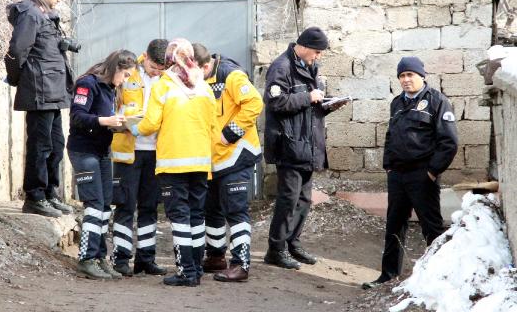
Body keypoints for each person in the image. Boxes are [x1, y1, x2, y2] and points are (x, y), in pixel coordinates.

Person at [362, 56, 458, 289]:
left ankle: (438, 278)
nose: (406, 80)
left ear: (421, 76)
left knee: (432, 228)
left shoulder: (437, 101)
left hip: (422, 175)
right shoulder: (397, 103)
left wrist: (432, 172)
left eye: (410, 75)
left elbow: (449, 142)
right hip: (397, 175)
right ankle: (388, 275)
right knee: (394, 225)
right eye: (402, 76)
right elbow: (390, 135)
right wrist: (388, 166)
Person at [131, 38, 215, 287]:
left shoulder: (164, 85)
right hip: (200, 162)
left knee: (179, 216)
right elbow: (212, 125)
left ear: (170, 59)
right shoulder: (204, 86)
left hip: (173, 163)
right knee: (197, 215)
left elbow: (151, 123)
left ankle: (186, 272)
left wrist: (134, 129)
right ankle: (197, 268)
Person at [263, 27, 347, 270]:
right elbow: (275, 102)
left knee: (303, 199)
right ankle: (275, 249)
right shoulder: (282, 67)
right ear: (304, 46)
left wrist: (328, 103)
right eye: (317, 52)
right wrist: (308, 98)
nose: (318, 57)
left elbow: (312, 103)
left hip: (308, 145)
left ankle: (293, 244)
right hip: (289, 145)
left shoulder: (310, 67)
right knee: (288, 199)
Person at [5, 0, 75, 217]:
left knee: (56, 145)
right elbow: (16, 51)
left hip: (53, 91)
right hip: (39, 90)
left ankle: (49, 193)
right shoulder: (31, 14)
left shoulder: (47, 14)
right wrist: (18, 79)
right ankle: (34, 196)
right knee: (40, 145)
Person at [193, 44, 263, 282]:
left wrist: (229, 133)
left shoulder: (230, 74)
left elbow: (254, 103)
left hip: (236, 154)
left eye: (194, 71)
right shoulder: (198, 78)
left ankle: (241, 264)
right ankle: (215, 257)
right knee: (211, 210)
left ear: (205, 65)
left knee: (235, 210)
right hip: (212, 158)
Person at [67, 50, 137, 280]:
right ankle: (86, 259)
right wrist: (104, 121)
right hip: (83, 150)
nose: (125, 81)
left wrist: (119, 125)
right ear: (116, 68)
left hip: (102, 151)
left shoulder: (111, 88)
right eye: (125, 75)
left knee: (106, 205)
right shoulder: (88, 83)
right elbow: (77, 116)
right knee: (94, 204)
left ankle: (99, 257)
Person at [110, 39, 169, 277]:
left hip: (157, 151)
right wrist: (128, 119)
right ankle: (121, 258)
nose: (156, 72)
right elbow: (114, 104)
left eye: (161, 69)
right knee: (125, 205)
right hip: (128, 149)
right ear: (146, 57)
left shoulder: (169, 79)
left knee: (150, 206)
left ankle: (147, 258)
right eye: (154, 67)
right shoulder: (128, 72)